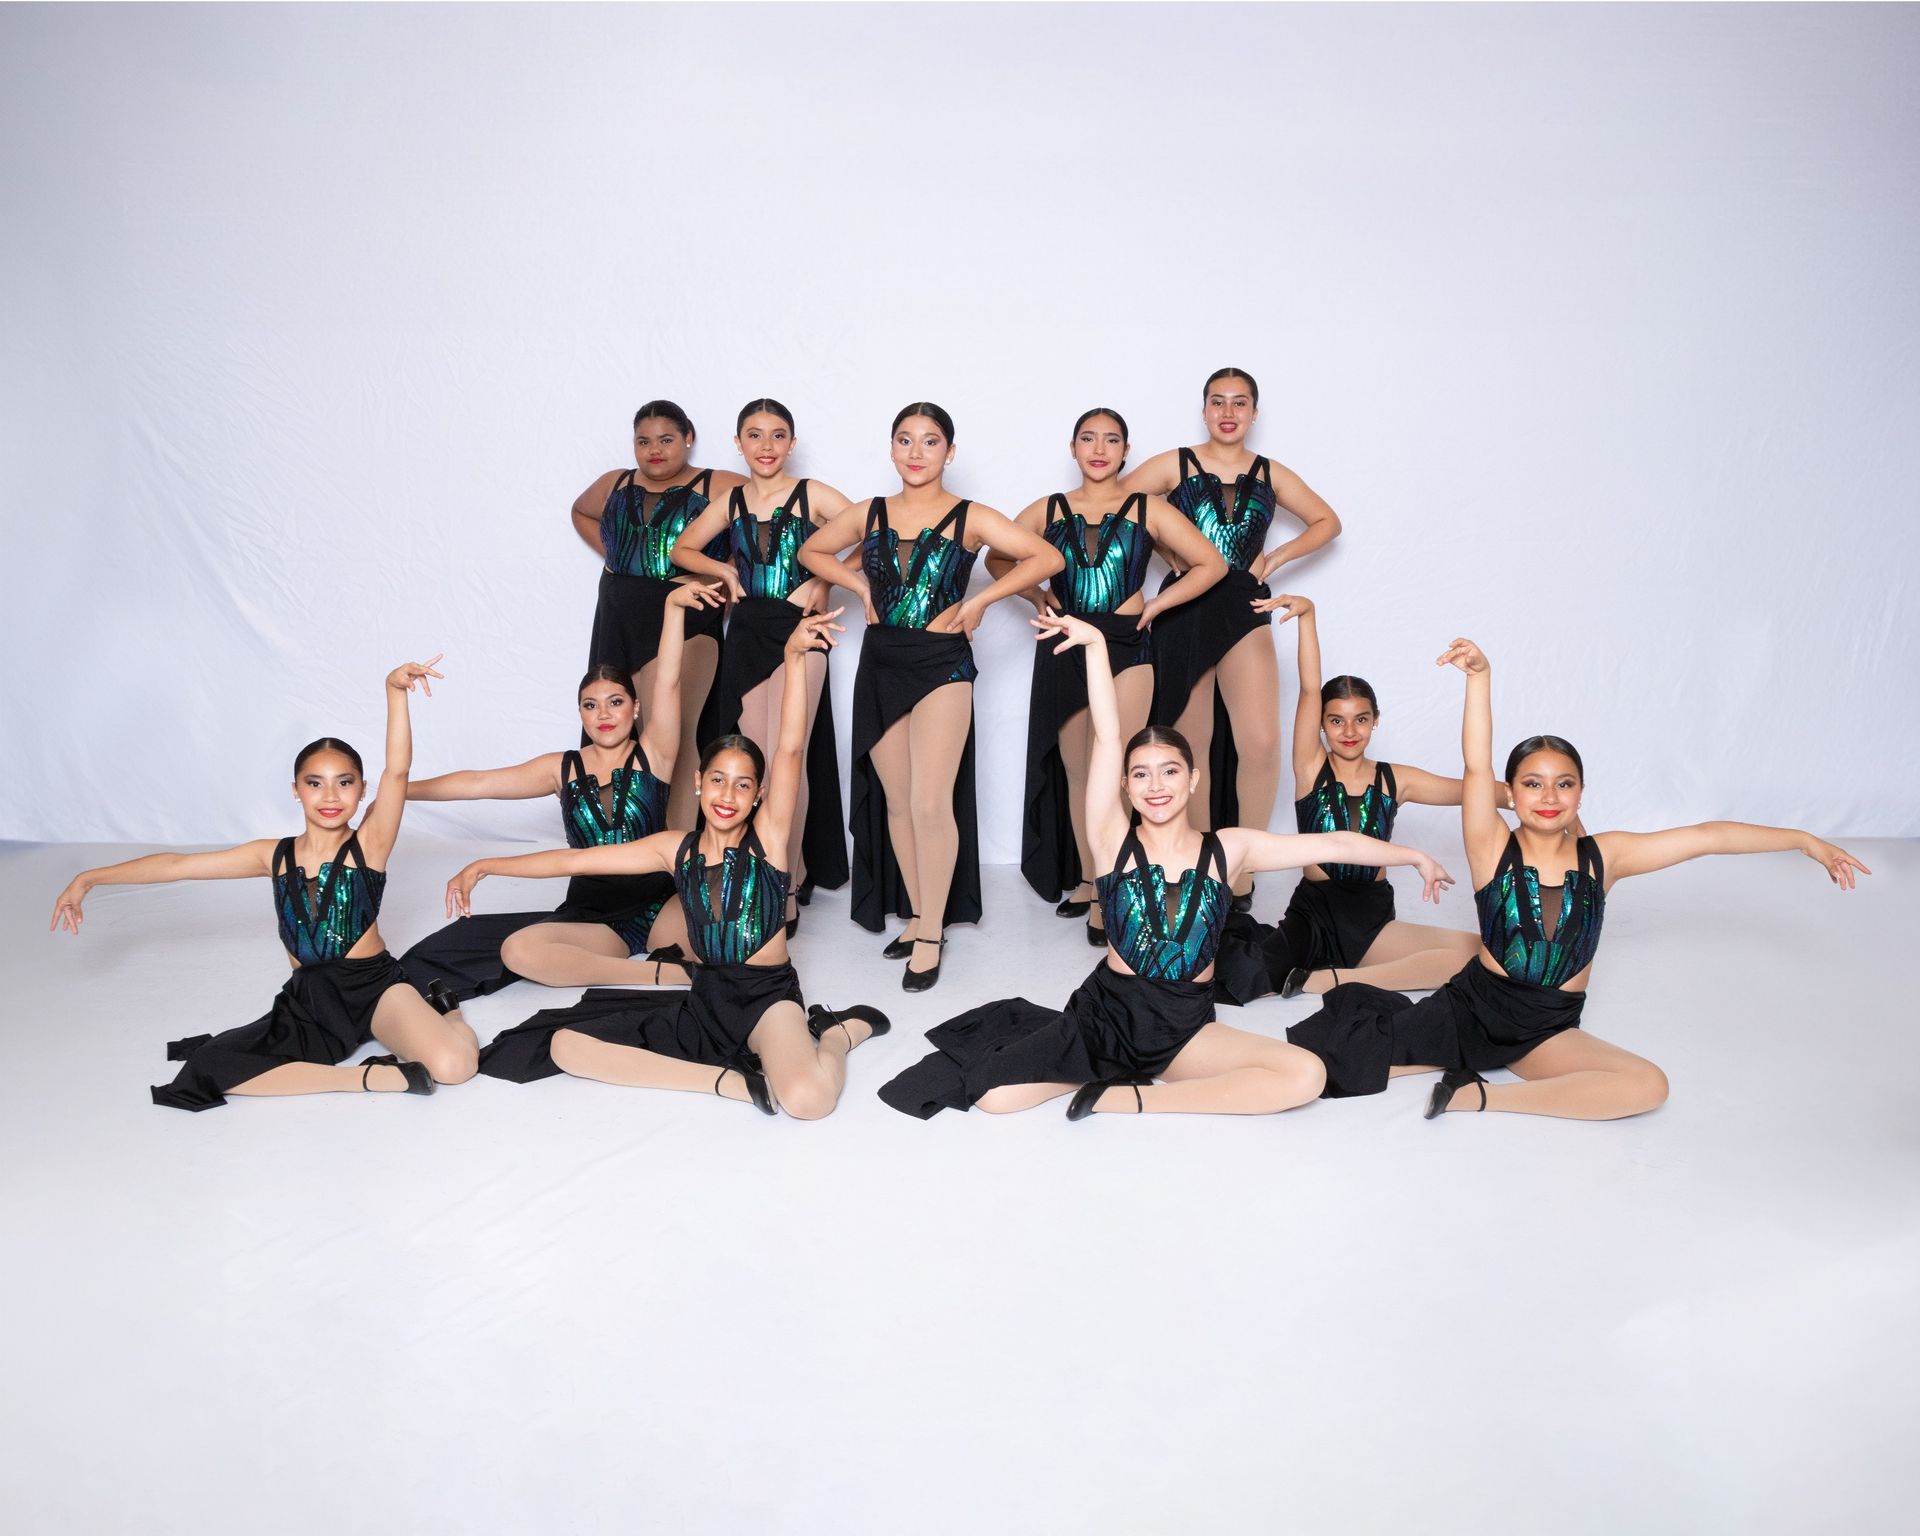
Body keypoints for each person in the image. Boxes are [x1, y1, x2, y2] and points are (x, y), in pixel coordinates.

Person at [878, 614, 1452, 1119]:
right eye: (1142, 774)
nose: (1157, 786)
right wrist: (1097, 648)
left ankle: (1130, 1098)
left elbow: (1341, 845)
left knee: (1306, 1075)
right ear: (1126, 787)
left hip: (1183, 1028)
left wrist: (1413, 856)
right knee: (992, 1098)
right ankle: (1098, 1074)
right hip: (1108, 1019)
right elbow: (1107, 736)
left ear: (1193, 778)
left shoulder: (1229, 849)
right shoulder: (1111, 842)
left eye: (1170, 771)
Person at [1286, 638, 1871, 1120]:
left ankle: (1479, 1095)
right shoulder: (1491, 846)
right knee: (1337, 1060)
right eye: (1533, 784)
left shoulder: (1605, 857)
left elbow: (1706, 836)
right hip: (1474, 1009)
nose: (1548, 796)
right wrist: (1480, 678)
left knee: (1648, 1086)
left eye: (1564, 783)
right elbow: (1474, 765)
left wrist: (1802, 840)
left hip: (1546, 1027)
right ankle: (1382, 1016)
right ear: (1511, 796)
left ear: (1581, 793)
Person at [455, 615, 891, 1118]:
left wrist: (793, 659)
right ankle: (728, 1083)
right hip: (704, 997)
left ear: (759, 795)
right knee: (564, 1046)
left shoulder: (768, 842)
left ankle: (835, 1036)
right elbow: (574, 859)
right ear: (700, 783)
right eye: (719, 781)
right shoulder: (673, 849)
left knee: (809, 1103)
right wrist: (489, 864)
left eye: (744, 784)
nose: (729, 795)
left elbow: (790, 747)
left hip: (766, 1000)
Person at [51, 659, 480, 1109]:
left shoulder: (369, 845)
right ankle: (372, 1079)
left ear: (360, 789)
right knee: (210, 1067)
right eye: (315, 783)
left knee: (456, 1066)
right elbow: (178, 864)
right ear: (296, 789)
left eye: (344, 783)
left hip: (374, 987)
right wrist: (90, 877)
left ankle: (447, 1010)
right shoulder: (272, 856)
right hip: (311, 1000)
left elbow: (398, 771)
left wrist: (394, 691)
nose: (330, 797)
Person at [798, 401, 1062, 990]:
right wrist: (854, 581)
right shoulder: (870, 513)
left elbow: (1048, 556)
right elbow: (810, 551)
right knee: (896, 802)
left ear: (950, 450)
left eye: (930, 441)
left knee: (927, 803)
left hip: (943, 663)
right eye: (905, 440)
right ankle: (920, 917)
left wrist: (979, 602)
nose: (916, 453)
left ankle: (932, 932)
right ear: (891, 448)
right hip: (882, 661)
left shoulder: (970, 516)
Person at [398, 585, 723, 1001]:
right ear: (580, 713)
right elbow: (478, 782)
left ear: (635, 708)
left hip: (659, 904)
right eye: (591, 705)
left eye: (615, 701)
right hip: (596, 917)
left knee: (720, 944)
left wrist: (673, 608)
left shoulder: (655, 753)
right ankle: (658, 975)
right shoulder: (561, 768)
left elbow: (672, 682)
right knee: (519, 950)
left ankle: (666, 966)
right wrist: (399, 790)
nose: (604, 714)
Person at [992, 406, 1226, 936]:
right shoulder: (1048, 509)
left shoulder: (1147, 508)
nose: (1099, 448)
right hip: (1064, 644)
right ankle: (1091, 879)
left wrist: (1157, 607)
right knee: (1080, 774)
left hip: (1126, 645)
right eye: (1088, 438)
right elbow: (997, 559)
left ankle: (1116, 889)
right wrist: (1040, 596)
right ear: (1072, 448)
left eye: (1112, 439)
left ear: (1126, 451)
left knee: (1118, 770)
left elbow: (1211, 564)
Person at [1213, 593, 1509, 1004]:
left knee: (1486, 954)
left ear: (1375, 721)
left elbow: (1467, 790)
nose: (1349, 731)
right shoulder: (1311, 767)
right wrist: (1309, 618)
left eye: (1361, 719)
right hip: (1314, 914)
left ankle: (1332, 980)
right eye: (1336, 720)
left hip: (1370, 918)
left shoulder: (1394, 779)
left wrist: (1519, 795)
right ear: (1321, 725)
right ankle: (1337, 972)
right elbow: (1308, 688)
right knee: (1243, 975)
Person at [1120, 367, 1343, 907]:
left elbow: (1327, 521)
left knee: (1261, 743)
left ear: (1254, 413)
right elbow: (1119, 510)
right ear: (1204, 410)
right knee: (1190, 744)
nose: (1227, 412)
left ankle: (1243, 864)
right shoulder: (1174, 463)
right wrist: (1177, 557)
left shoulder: (1269, 473)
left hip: (1245, 604)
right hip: (1186, 606)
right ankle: (1200, 860)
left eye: (1239, 403)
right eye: (1217, 402)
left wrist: (1275, 558)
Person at [669, 398, 855, 926]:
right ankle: (772, 871)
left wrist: (822, 581)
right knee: (763, 762)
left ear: (792, 443)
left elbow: (874, 532)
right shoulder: (730, 501)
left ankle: (788, 883)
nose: (766, 446)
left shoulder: (812, 494)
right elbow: (683, 549)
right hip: (750, 633)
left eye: (777, 435)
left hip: (804, 630)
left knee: (791, 752)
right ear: (738, 443)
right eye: (755, 435)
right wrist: (724, 574)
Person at [573, 399, 745, 825]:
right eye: (643, 441)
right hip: (618, 617)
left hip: (686, 619)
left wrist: (722, 579)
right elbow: (580, 511)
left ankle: (680, 851)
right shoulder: (615, 483)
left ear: (688, 438)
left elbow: (768, 524)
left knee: (675, 736)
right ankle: (618, 840)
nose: (655, 449)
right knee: (614, 732)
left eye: (666, 439)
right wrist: (616, 557)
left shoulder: (717, 484)